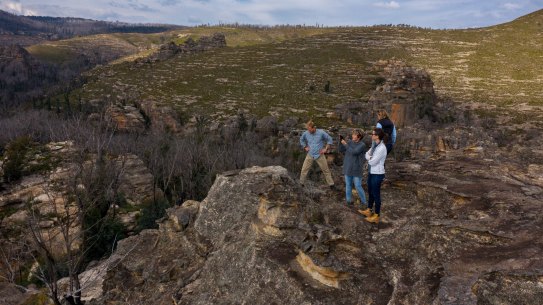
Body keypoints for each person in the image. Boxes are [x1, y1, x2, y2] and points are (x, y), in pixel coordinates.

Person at [358, 128, 388, 223]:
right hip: (372, 172)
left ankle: (376, 216)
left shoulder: (382, 148)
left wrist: (370, 158)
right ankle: (369, 210)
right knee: (370, 192)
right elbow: (366, 155)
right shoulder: (375, 145)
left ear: (377, 136)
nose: (372, 135)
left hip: (378, 174)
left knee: (376, 194)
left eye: (373, 134)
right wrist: (370, 157)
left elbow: (373, 162)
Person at [299, 120, 335, 189]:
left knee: (326, 170)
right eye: (308, 130)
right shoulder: (306, 133)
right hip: (310, 154)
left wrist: (326, 149)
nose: (309, 131)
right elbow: (301, 139)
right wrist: (305, 146)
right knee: (304, 169)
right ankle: (301, 184)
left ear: (313, 127)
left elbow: (329, 139)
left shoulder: (321, 132)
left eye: (310, 130)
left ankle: (331, 185)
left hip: (319, 155)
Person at [339, 129, 367, 207]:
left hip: (357, 168)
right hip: (348, 167)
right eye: (353, 134)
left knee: (358, 186)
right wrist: (341, 142)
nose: (352, 136)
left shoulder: (362, 145)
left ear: (359, 136)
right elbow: (341, 150)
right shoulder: (350, 142)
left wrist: (345, 144)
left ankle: (364, 202)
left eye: (354, 135)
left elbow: (354, 152)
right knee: (348, 185)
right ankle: (348, 201)